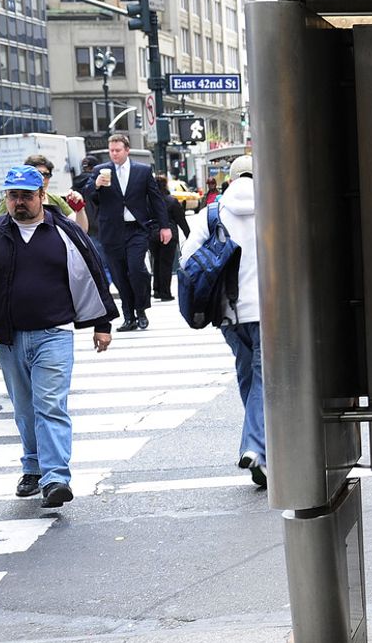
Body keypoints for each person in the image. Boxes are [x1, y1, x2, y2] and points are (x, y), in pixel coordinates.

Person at [0, 165, 116, 508]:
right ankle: (32, 466)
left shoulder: (66, 232)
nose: (19, 203)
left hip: (53, 334)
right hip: (9, 337)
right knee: (25, 410)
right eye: (13, 196)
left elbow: (92, 274)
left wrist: (102, 323)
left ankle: (56, 476)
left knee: (50, 405)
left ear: (42, 195)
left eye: (26, 196)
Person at [181, 155, 265, 487]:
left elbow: (188, 258)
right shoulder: (276, 206)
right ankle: (256, 446)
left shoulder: (212, 213)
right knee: (263, 380)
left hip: (229, 313)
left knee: (248, 376)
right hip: (269, 311)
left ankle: (260, 447)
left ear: (230, 179)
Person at [82, 133, 171, 332]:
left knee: (137, 269)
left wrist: (164, 226)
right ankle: (128, 316)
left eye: (118, 150)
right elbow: (88, 195)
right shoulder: (100, 170)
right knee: (119, 274)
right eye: (111, 151)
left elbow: (156, 199)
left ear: (127, 150)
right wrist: (96, 185)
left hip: (136, 229)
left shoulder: (142, 170)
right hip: (111, 231)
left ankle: (141, 310)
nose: (114, 154)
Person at [152, 173, 190, 301]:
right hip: (169, 234)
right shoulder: (171, 201)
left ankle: (156, 289)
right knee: (166, 264)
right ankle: (165, 292)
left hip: (152, 234)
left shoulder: (148, 200)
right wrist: (188, 234)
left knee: (156, 261)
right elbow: (181, 220)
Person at [22, 154, 78, 220]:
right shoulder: (12, 201)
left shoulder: (56, 200)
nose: (42, 178)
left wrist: (79, 208)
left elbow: (80, 227)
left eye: (46, 174)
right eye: (38, 174)